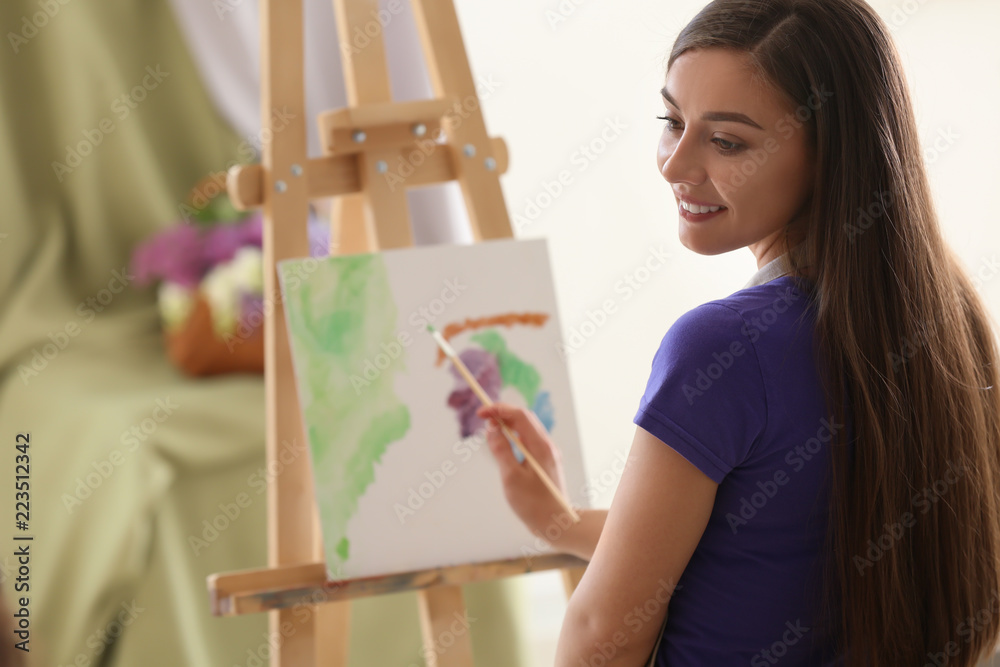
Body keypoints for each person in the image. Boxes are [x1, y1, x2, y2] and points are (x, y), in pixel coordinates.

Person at [476, 0, 1000, 665]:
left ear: (831, 154)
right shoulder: (951, 321)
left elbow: (600, 638)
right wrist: (563, 524)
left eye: (727, 141)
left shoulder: (723, 347)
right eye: (671, 121)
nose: (674, 164)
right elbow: (762, 547)